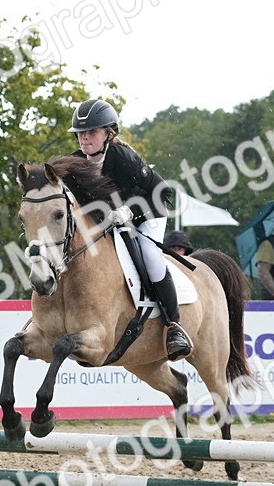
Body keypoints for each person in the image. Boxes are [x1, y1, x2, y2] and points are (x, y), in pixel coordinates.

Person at [68, 98, 191, 360]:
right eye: (80, 133)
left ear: (108, 133)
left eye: (91, 132)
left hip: (148, 214)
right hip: (110, 222)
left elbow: (162, 192)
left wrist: (130, 211)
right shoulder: (75, 164)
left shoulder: (124, 158)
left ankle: (173, 325)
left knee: (149, 254)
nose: (84, 139)